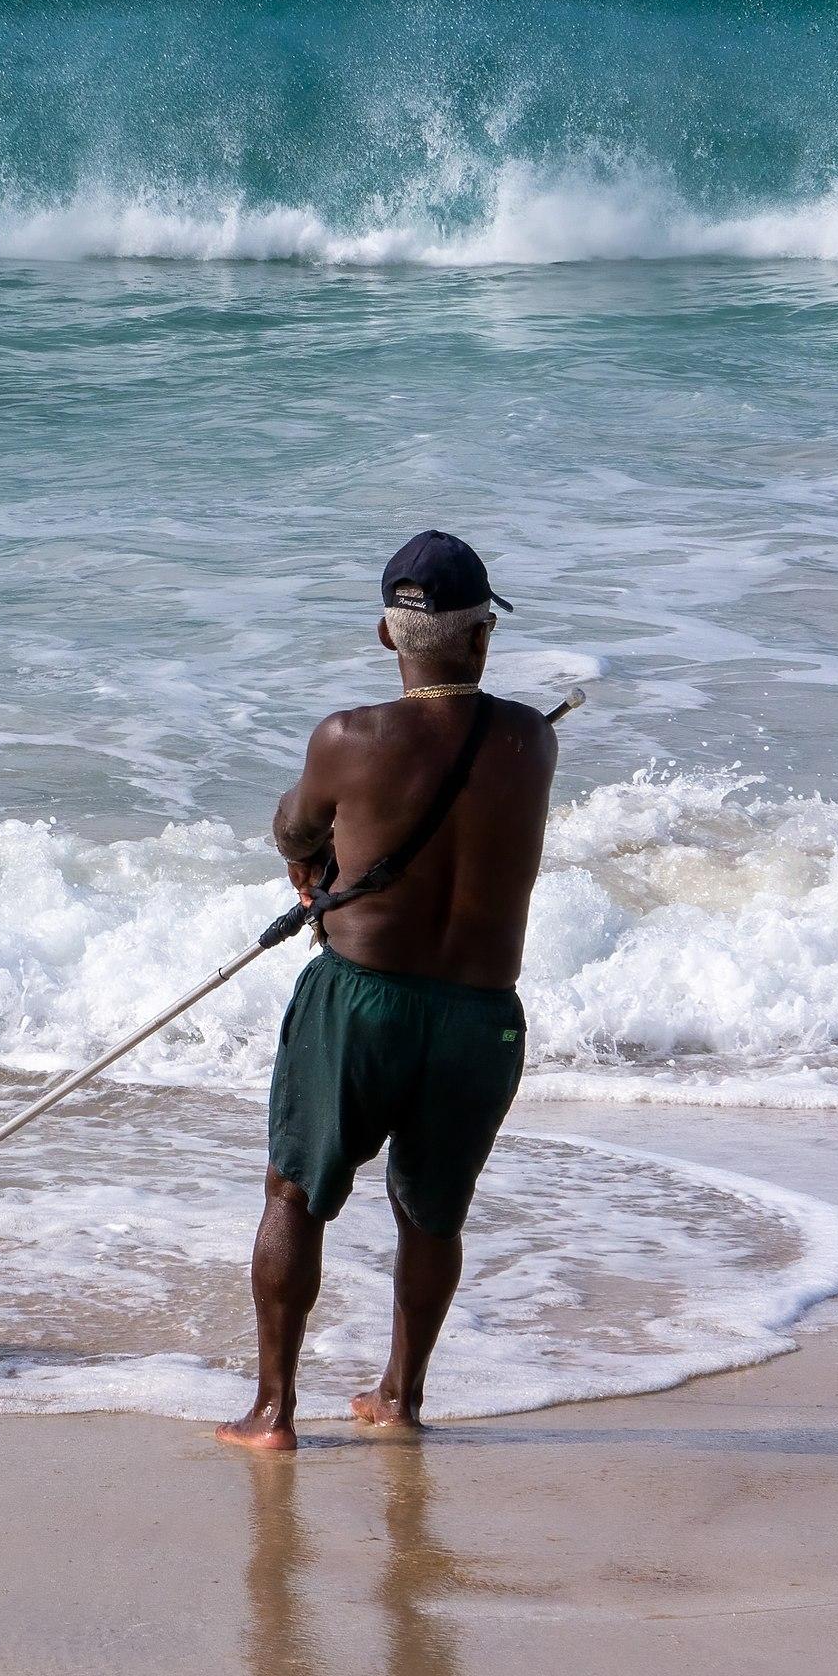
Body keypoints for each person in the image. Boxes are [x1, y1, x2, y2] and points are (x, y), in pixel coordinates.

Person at [217, 531, 559, 1452]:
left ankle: (274, 1414)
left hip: (361, 1001)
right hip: (481, 1019)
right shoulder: (533, 740)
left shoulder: (347, 737)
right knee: (432, 1212)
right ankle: (400, 1398)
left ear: (386, 636)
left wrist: (312, 868)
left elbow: (294, 827)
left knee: (295, 1196)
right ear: (482, 638)